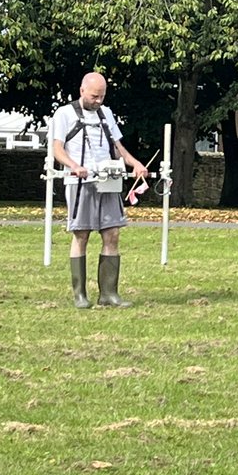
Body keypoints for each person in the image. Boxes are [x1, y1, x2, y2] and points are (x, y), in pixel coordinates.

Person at [51, 72, 148, 308]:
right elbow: (57, 148)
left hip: (109, 180)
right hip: (80, 183)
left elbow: (117, 147)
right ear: (82, 90)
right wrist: (74, 166)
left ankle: (109, 294)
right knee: (81, 234)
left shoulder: (107, 114)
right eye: (95, 96)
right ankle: (80, 295)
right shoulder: (64, 114)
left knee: (112, 233)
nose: (98, 101)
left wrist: (134, 163)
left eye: (102, 96)